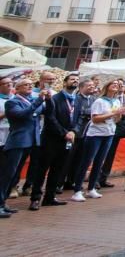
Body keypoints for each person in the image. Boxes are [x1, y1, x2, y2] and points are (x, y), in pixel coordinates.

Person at [70, 80, 125, 202]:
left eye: (118, 84)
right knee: (87, 161)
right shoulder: (100, 101)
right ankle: (77, 190)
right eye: (113, 84)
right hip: (95, 134)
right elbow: (95, 119)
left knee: (99, 162)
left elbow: (116, 119)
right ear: (107, 87)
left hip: (109, 133)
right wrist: (113, 113)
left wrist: (119, 114)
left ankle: (91, 188)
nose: (116, 86)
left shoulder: (116, 101)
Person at [28, 72, 78, 209]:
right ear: (64, 82)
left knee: (58, 169)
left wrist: (73, 131)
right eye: (72, 79)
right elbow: (50, 118)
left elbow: (77, 119)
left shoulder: (76, 99)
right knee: (42, 169)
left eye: (77, 80)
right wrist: (64, 133)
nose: (75, 81)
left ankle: (50, 197)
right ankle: (35, 198)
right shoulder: (55, 98)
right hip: (51, 139)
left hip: (67, 139)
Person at [0, 78, 49, 217]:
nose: (29, 87)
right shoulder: (12, 102)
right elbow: (22, 114)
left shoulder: (32, 101)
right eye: (25, 85)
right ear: (17, 88)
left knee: (14, 175)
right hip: (18, 141)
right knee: (7, 174)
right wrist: (39, 100)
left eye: (30, 85)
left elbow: (42, 110)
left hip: (31, 141)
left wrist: (48, 99)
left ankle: (3, 202)